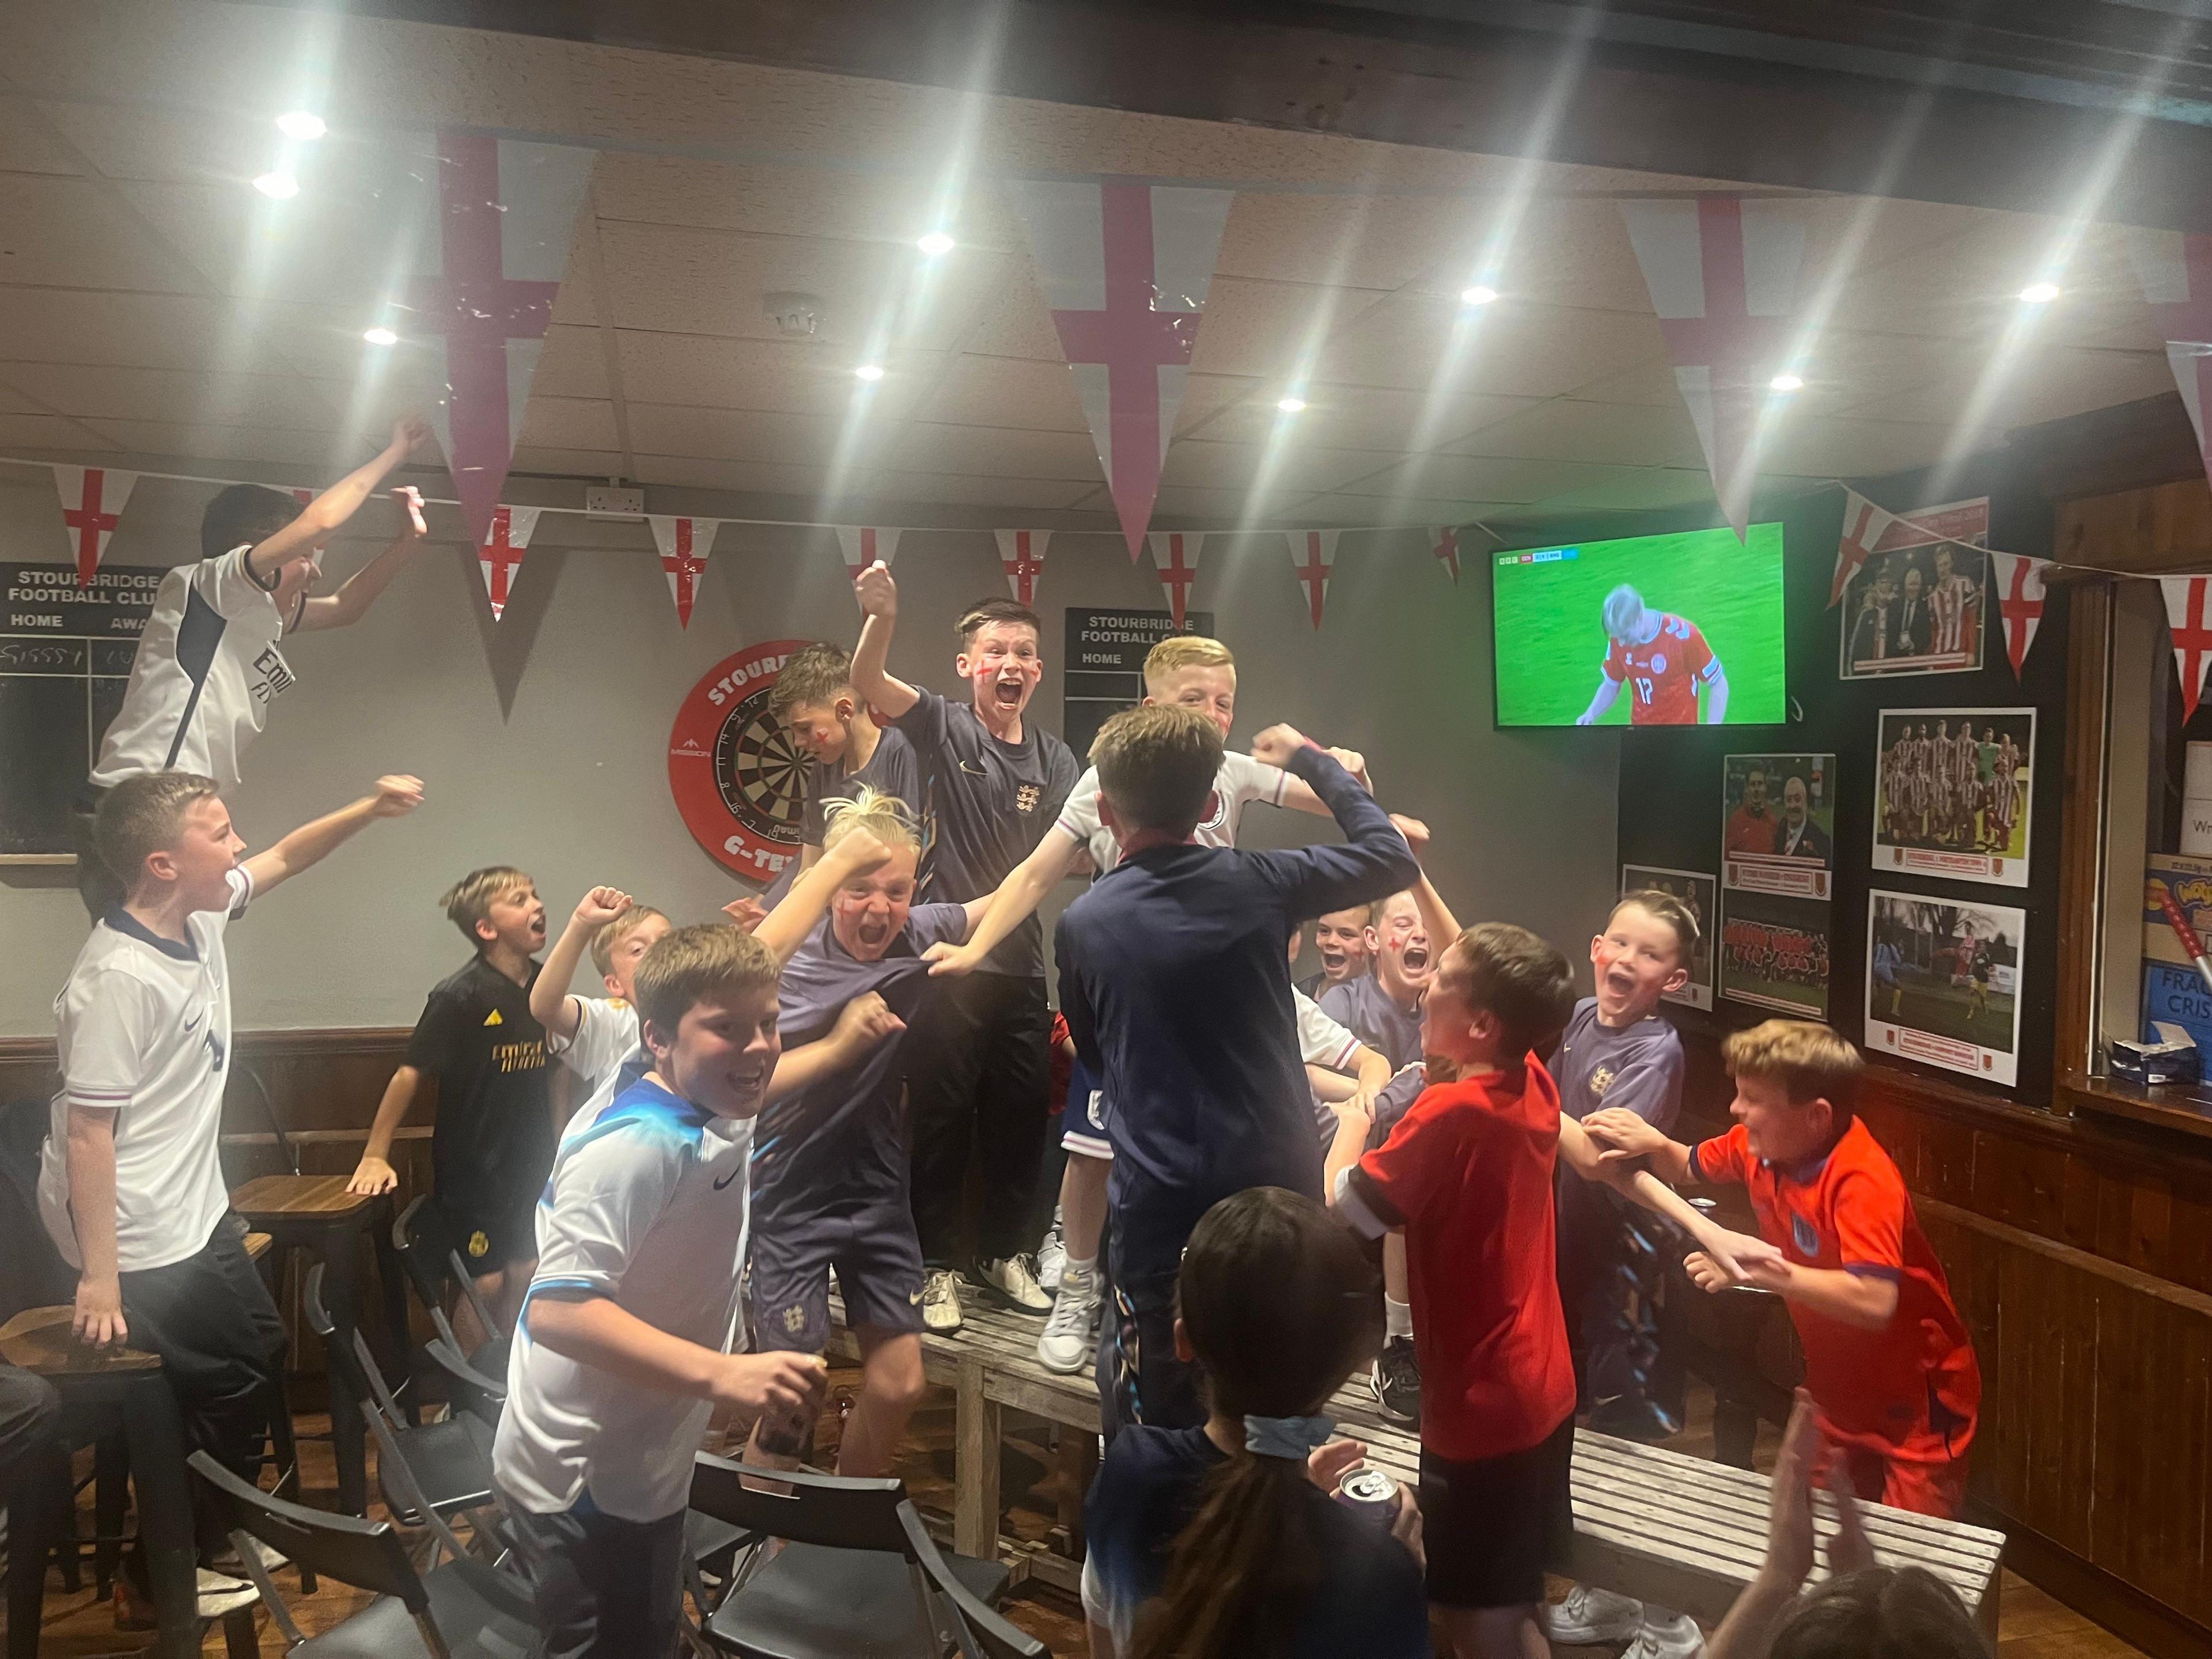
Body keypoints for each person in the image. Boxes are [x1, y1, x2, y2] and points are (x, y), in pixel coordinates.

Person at [927, 632, 1380, 1361]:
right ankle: (1080, 1286)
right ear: (1151, 707)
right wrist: (976, 947)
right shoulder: (1105, 776)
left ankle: (1231, 1313)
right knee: (1093, 1144)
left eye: (1223, 701)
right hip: (1134, 969)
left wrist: (1343, 773)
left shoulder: (1229, 769)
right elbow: (1035, 876)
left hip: (1215, 976)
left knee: (1213, 1152)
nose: (1210, 713)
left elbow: (1334, 801)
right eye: (1191, 698)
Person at [40, 770, 423, 1574]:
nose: (239, 843)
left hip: (193, 1205)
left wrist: (368, 805)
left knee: (255, 1348)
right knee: (236, 1373)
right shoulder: (117, 978)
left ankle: (201, 1539)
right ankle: (175, 1567)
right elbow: (87, 1137)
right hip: (138, 1228)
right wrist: (100, 1276)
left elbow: (286, 854)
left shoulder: (201, 921)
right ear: (162, 864)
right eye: (218, 832)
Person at [1056, 707, 1416, 1434]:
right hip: (1274, 1192)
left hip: (1158, 1203)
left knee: (1151, 1413)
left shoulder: (1085, 924)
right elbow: (1392, 855)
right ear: (1210, 806)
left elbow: (1094, 1054)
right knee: (1275, 1398)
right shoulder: (1263, 882)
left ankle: (1146, 1536)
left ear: (1105, 809)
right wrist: (1314, 760)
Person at [493, 923, 832, 1659]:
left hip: (643, 1451)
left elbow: (761, 953)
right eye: (727, 1030)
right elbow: (557, 1309)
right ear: (658, 1040)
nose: (759, 1047)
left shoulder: (717, 1099)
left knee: (647, 1637)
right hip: (581, 1477)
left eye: (769, 1024)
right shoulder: (633, 1147)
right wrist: (726, 1372)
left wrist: (835, 862)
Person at [1586, 1021, 1981, 1517]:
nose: (1736, 1109)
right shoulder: (1761, 1146)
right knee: (1812, 1528)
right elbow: (1687, 1166)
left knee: (1911, 1557)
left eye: (1752, 1099)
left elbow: (1874, 1301)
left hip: (1920, 1397)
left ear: (1815, 1117)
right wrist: (1655, 1142)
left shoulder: (1862, 1179)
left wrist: (1760, 1269)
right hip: (1836, 1386)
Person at [1327, 922, 1578, 1659]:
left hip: (1484, 1408)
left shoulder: (1449, 1113)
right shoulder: (1533, 1076)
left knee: (1477, 1622)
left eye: (1444, 975)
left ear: (1481, 1023)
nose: (1428, 977)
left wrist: (1355, 1121)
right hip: (1545, 1387)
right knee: (1513, 1600)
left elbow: (1349, 1210)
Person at [74, 419, 430, 917]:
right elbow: (320, 523)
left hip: (182, 809)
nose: (315, 568)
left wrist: (406, 545)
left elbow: (347, 607)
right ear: (266, 548)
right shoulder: (209, 587)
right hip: (139, 802)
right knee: (146, 959)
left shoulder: (258, 616)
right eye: (305, 556)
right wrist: (395, 450)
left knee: (197, 953)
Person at [849, 561, 1079, 1326]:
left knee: (1019, 1112)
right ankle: (935, 1262)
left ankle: (1001, 1253)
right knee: (943, 1116)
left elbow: (1062, 860)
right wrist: (881, 616)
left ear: (1038, 670)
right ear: (968, 665)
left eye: (1023, 654)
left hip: (1019, 964)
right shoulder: (943, 724)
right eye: (996, 653)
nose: (1009, 665)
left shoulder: (1055, 760)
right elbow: (871, 681)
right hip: (946, 958)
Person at [745, 789, 996, 1476]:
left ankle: (835, 1532)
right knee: (792, 1401)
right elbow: (741, 1083)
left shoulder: (918, 934)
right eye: (859, 889)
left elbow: (999, 901)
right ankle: (761, 1554)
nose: (880, 909)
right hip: (791, 1194)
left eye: (896, 890)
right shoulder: (784, 961)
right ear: (827, 891)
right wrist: (839, 1044)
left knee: (899, 1383)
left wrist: (1088, 825)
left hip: (879, 1193)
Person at [1084, 1187, 1429, 1659]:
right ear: (1348, 1368)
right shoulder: (1377, 1575)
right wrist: (1400, 1571)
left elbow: (1104, 1630)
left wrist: (1290, 1482)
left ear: (1183, 1342)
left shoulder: (1129, 1473)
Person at [346, 868, 554, 1350]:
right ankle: (468, 1398)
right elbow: (409, 1074)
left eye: (536, 895)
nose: (537, 905)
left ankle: (508, 1387)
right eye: (519, 900)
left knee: (528, 1271)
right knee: (486, 1282)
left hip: (533, 1164)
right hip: (476, 1172)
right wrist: (376, 1152)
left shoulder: (547, 988)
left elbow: (559, 1067)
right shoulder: (459, 995)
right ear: (486, 929)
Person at [1319, 888, 1433, 1423]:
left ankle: (1405, 1346)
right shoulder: (1344, 1001)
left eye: (1424, 927)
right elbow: (1304, 1070)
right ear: (1375, 941)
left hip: (1397, 1177)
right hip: (1329, 1166)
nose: (1419, 936)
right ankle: (1398, 1343)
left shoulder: (1439, 1013)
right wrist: (1373, 1097)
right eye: (1403, 924)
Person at [528, 888, 673, 1132]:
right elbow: (545, 1007)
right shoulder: (614, 1022)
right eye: (638, 950)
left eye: (667, 941)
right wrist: (581, 925)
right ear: (614, 984)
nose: (658, 951)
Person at [1576, 584, 1728, 727]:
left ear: (1639, 617)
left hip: (1682, 737)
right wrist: (1591, 714)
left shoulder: (1683, 637)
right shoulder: (1618, 640)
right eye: (1617, 637)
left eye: (1625, 636)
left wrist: (1712, 730)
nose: (1621, 643)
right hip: (1640, 736)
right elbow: (1611, 683)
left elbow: (1719, 682)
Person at [1302, 904, 1373, 997]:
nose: (1331, 941)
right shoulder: (1298, 996)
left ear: (1371, 939)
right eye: (1324, 931)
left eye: (1346, 934)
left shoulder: (1383, 1004)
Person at [1927, 543, 1977, 661]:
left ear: (1952, 564)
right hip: (1939, 656)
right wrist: (1931, 657)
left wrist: (1971, 651)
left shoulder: (1965, 585)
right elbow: (1934, 631)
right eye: (1940, 565)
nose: (1943, 569)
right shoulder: (1932, 598)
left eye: (1946, 564)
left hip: (1960, 654)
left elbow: (1971, 621)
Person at [1725, 766, 1779, 856]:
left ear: (1765, 787)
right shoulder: (1736, 821)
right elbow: (1727, 858)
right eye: (1753, 784)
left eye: (1760, 784)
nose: (1757, 789)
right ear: (1746, 788)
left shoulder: (1774, 823)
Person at [1777, 776, 1830, 862]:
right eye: (1789, 800)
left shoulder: (1821, 839)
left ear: (1805, 802)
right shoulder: (1777, 830)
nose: (1793, 806)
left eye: (1798, 800)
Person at [1887, 566, 1931, 659]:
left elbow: (1927, 637)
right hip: (1894, 661)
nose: (1913, 588)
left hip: (1916, 661)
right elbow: (1888, 633)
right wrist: (1896, 645)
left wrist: (1914, 647)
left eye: (1916, 584)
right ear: (1905, 585)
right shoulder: (1894, 606)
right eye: (1911, 584)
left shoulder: (1926, 608)